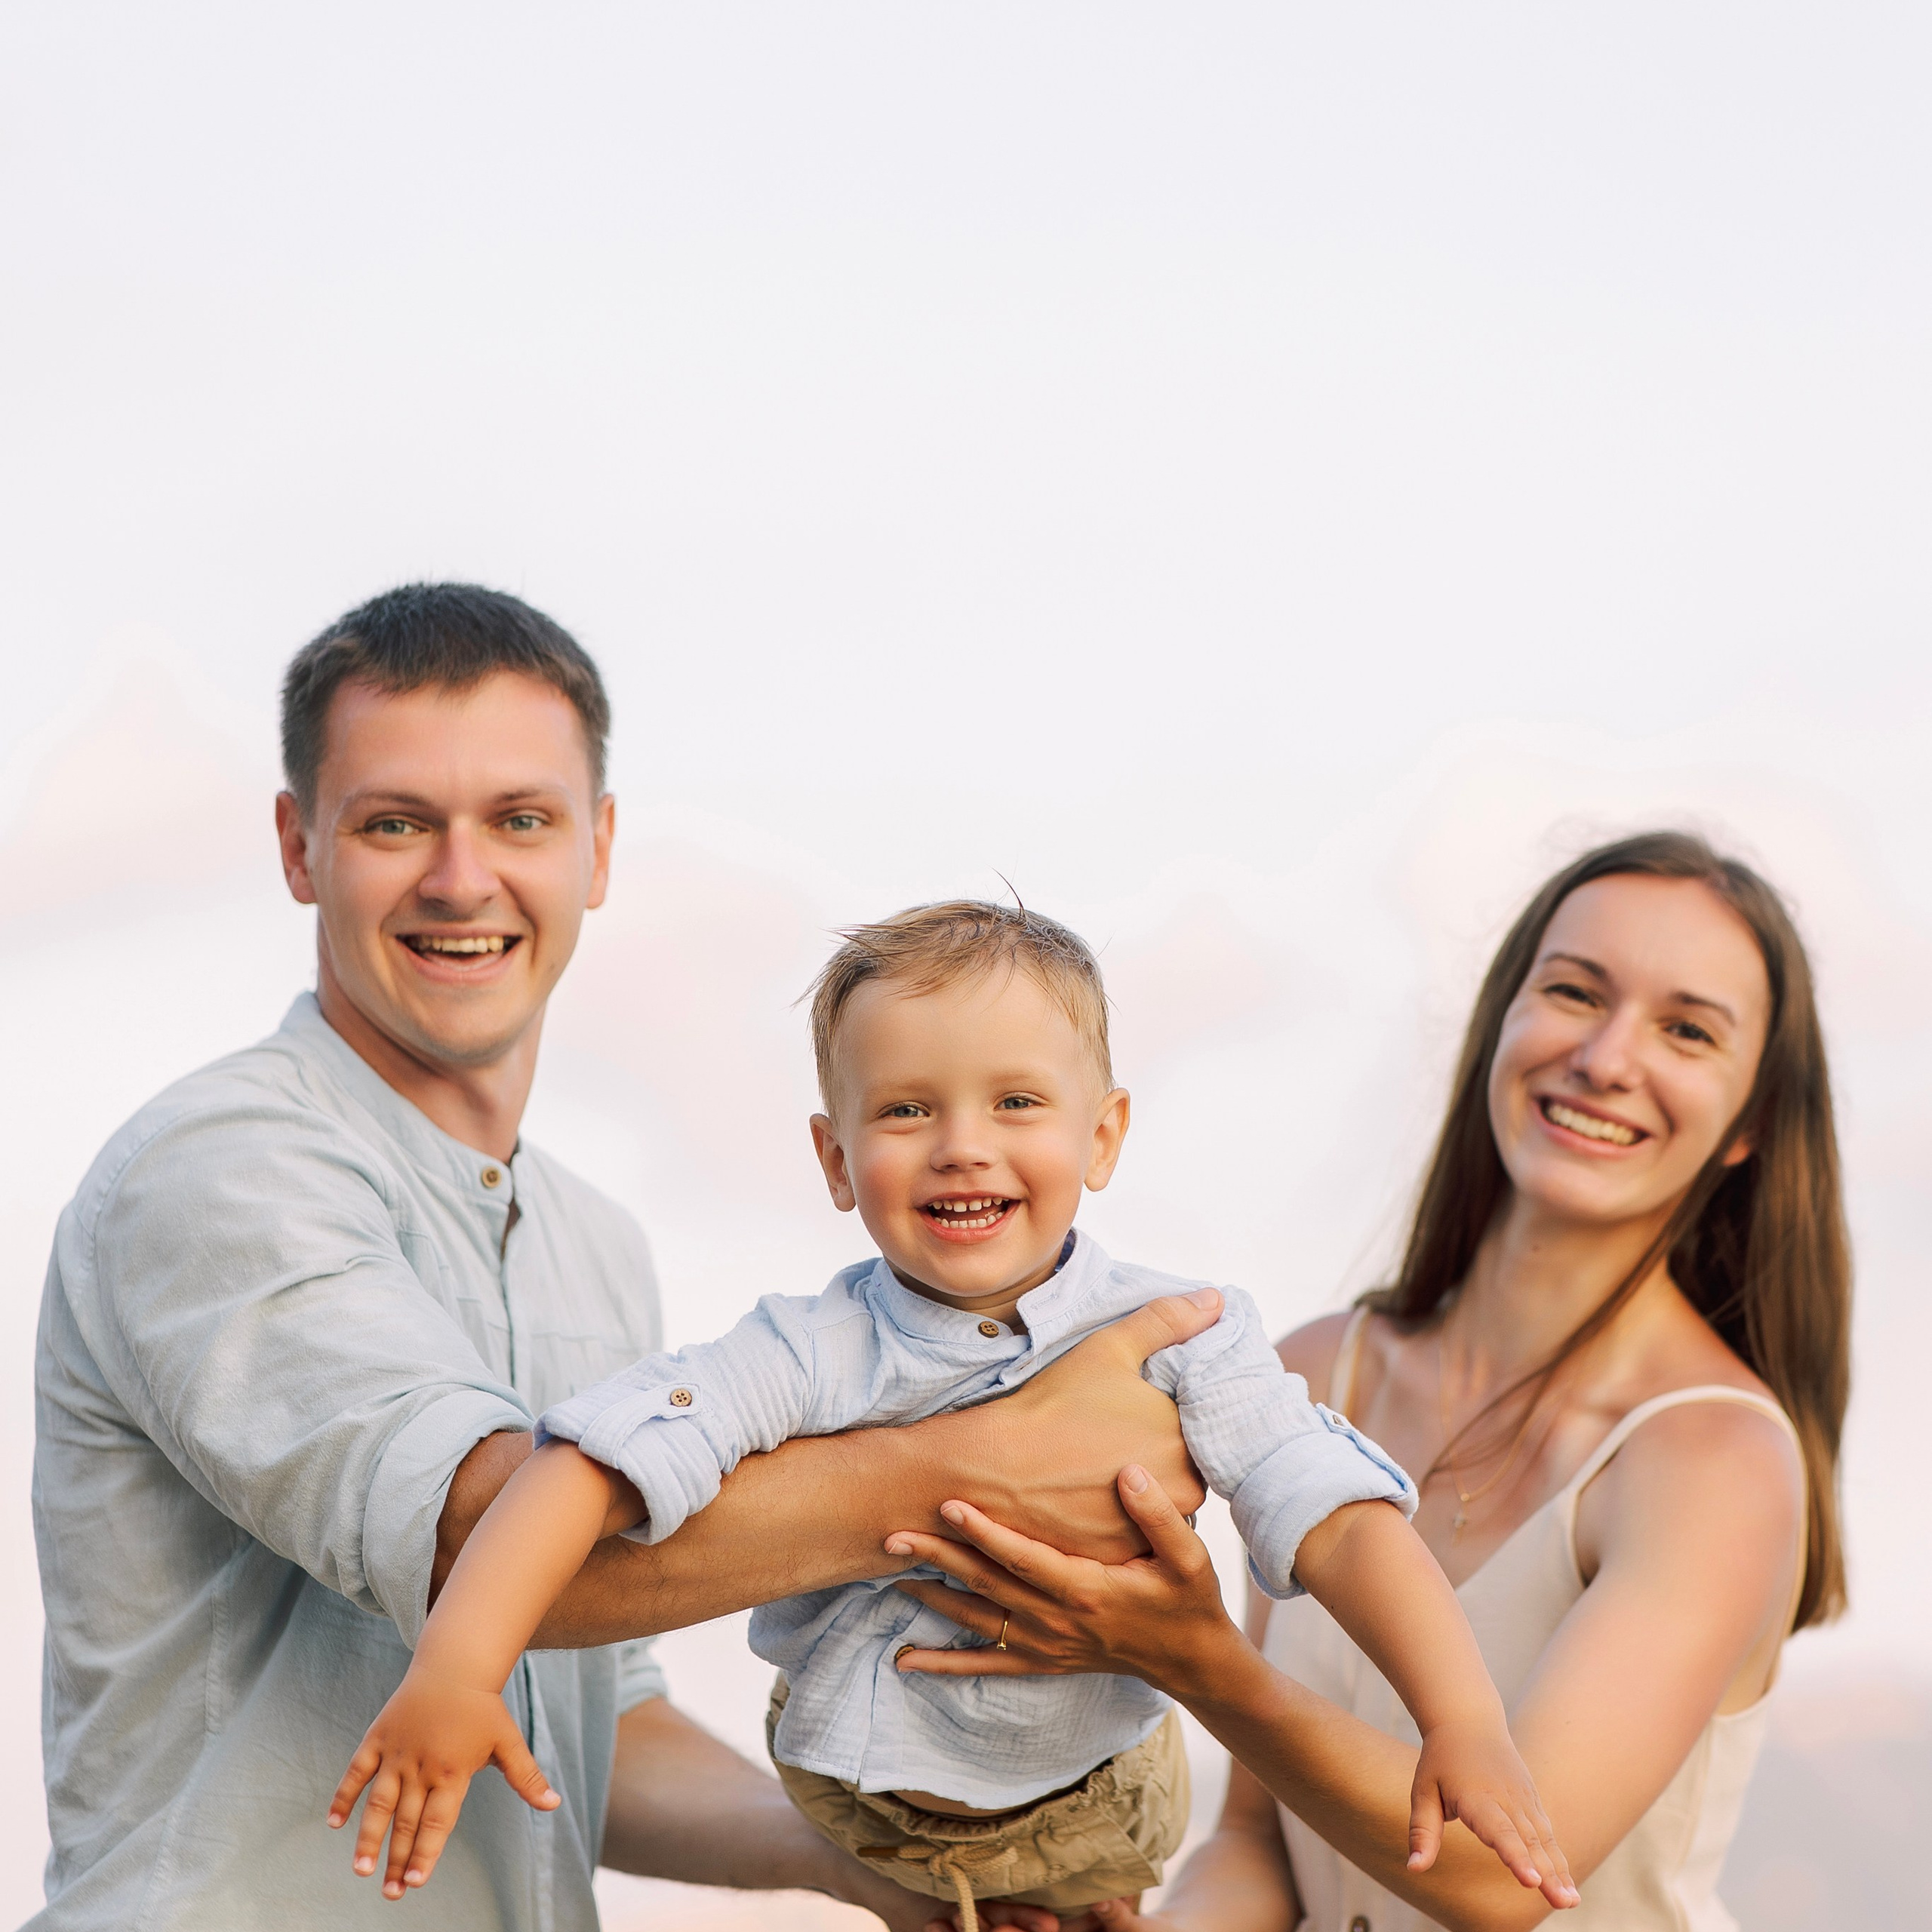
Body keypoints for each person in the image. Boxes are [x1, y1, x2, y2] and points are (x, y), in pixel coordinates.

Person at [29, 584, 1221, 1932]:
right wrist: (988, 1460)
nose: (462, 879)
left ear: (597, 851)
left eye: (520, 821)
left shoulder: (595, 1242)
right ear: (302, 846)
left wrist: (880, 1866)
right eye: (395, 822)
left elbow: (601, 1722)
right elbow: (489, 1542)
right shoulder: (217, 1169)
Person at [331, 901, 1576, 1930]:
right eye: (907, 1110)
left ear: (1105, 1136)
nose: (961, 1147)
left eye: (1017, 1105)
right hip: (878, 1796)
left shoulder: (1189, 1332)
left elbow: (1338, 1517)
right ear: (834, 1161)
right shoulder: (812, 1346)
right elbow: (586, 1468)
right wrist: (458, 1668)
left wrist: (1459, 1718)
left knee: (1102, 1880)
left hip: (1106, 1775)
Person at [884, 833, 1848, 1932]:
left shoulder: (1716, 1461)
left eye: (1686, 1030)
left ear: (1754, 1122)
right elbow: (1261, 1843)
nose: (1609, 1057)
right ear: (1503, 1024)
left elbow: (1502, 1881)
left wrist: (1193, 1661)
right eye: (1575, 993)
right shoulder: (1304, 1373)